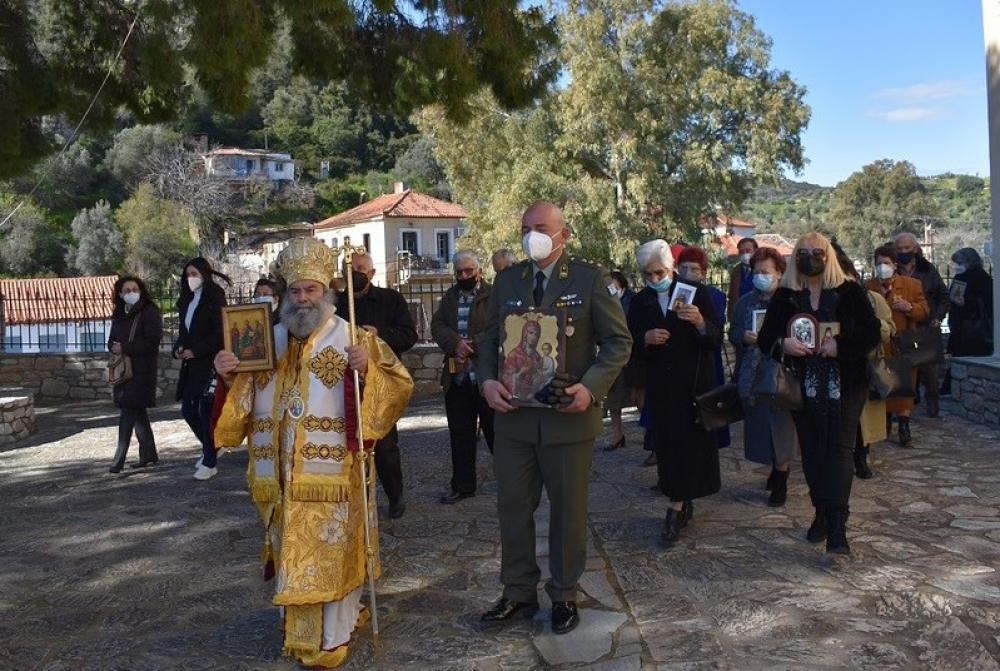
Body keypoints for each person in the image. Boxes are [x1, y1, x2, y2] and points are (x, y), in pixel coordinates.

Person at [213, 237, 413, 669]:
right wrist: (227, 375)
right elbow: (243, 400)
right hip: (282, 477)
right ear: (285, 295)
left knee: (333, 553)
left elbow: (399, 388)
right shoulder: (266, 340)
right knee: (292, 550)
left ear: (328, 293)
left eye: (312, 290)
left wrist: (369, 371)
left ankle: (333, 634)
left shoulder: (353, 337)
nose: (303, 300)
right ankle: (300, 630)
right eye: (296, 291)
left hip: (334, 476)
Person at [477, 201, 631, 635]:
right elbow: (489, 342)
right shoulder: (508, 279)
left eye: (541, 227)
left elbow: (618, 343)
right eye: (525, 228)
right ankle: (518, 591)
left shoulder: (588, 278)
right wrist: (487, 382)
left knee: (567, 512)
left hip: (567, 418)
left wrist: (591, 387)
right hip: (514, 420)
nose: (532, 236)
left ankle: (564, 594)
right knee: (513, 508)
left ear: (563, 233)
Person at [758, 233, 880, 555]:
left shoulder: (850, 291)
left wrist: (841, 346)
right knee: (812, 451)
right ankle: (821, 513)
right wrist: (782, 344)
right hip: (802, 386)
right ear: (795, 258)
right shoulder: (785, 296)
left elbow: (871, 333)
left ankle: (838, 526)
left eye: (817, 251)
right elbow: (765, 337)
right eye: (803, 252)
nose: (809, 257)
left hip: (846, 384)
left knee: (839, 451)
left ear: (828, 256)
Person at [629, 239, 723, 545]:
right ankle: (680, 502)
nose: (654, 280)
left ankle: (675, 509)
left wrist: (699, 323)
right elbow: (629, 343)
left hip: (693, 383)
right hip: (663, 386)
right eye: (648, 275)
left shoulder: (696, 292)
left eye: (659, 272)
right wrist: (645, 338)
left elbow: (715, 337)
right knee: (670, 449)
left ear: (670, 266)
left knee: (690, 448)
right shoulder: (642, 301)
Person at [336, 252, 418, 519]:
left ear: (371, 273)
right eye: (351, 269)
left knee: (384, 445)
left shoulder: (391, 300)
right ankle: (354, 498)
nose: (356, 272)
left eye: (361, 268)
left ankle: (395, 496)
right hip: (341, 383)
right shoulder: (333, 304)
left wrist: (378, 335)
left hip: (379, 382)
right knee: (345, 442)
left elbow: (408, 335)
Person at [728, 247, 797, 505]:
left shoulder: (790, 301)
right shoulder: (745, 302)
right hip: (752, 372)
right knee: (759, 426)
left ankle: (781, 475)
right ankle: (773, 466)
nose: (760, 276)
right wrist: (742, 337)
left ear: (779, 272)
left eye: (765, 272)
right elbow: (732, 330)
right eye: (756, 272)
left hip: (782, 373)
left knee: (782, 426)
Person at [430, 249, 495, 505]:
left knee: (496, 433)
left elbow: (500, 327)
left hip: (486, 377)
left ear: (479, 270)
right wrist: (455, 343)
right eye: (459, 272)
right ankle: (463, 486)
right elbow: (437, 325)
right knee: (460, 435)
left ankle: (515, 484)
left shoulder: (492, 295)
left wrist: (474, 345)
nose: (464, 275)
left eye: (468, 270)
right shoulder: (450, 297)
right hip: (457, 378)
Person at [830, 241, 895, 480]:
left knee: (863, 420)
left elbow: (890, 329)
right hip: (837, 364)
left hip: (867, 363)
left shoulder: (873, 298)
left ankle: (862, 454)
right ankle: (845, 456)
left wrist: (871, 328)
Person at [865, 245, 928, 447]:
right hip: (878, 345)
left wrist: (910, 308)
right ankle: (883, 425)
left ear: (894, 265)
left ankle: (904, 426)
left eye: (886, 263)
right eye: (878, 263)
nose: (882, 267)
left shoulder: (911, 284)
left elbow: (924, 309)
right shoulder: (867, 286)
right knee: (881, 384)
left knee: (904, 385)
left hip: (903, 343)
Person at [174, 257, 230, 481]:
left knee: (207, 412)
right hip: (191, 366)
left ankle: (209, 461)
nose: (191, 278)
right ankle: (213, 447)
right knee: (188, 411)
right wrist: (179, 348)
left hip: (209, 363)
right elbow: (183, 333)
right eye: (187, 274)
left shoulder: (215, 297)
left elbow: (220, 333)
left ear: (205, 274)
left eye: (194, 274)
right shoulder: (186, 300)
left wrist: (196, 350)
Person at [676, 246, 731, 449]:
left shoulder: (714, 296)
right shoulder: (674, 292)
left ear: (703, 272)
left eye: (694, 269)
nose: (688, 273)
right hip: (680, 361)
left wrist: (701, 323)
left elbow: (716, 329)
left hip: (706, 359)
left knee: (707, 413)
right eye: (684, 268)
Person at [107, 276, 164, 474]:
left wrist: (125, 347)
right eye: (127, 290)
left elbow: (152, 342)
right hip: (124, 370)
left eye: (135, 288)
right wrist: (114, 347)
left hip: (141, 370)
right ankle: (149, 454)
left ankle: (118, 459)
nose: (131, 292)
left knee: (128, 411)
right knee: (137, 411)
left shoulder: (149, 312)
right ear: (120, 294)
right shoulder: (119, 314)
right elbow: (111, 340)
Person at [894, 232, 948, 417]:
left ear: (915, 249)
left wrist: (938, 317)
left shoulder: (927, 270)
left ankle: (933, 405)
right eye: (899, 249)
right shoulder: (891, 271)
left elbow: (944, 296)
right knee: (901, 370)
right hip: (901, 328)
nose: (903, 252)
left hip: (925, 326)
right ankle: (902, 409)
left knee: (930, 371)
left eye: (907, 248)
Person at [603, 270, 636, 451]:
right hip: (612, 356)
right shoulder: (604, 302)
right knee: (614, 398)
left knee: (639, 397)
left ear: (622, 285)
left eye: (614, 286)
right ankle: (617, 435)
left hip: (634, 357)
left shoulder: (633, 300)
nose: (612, 290)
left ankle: (651, 438)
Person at [946, 247, 994, 359]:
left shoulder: (981, 277)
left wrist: (967, 303)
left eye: (960, 262)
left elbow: (987, 301)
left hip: (974, 329)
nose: (957, 266)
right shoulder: (960, 275)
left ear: (969, 261)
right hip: (959, 325)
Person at [501, 319, 543, 399]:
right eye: (531, 333)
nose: (533, 337)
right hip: (518, 399)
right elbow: (506, 378)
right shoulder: (514, 355)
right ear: (525, 334)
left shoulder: (537, 357)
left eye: (536, 335)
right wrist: (520, 373)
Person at [727, 236, 759, 320]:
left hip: (757, 312)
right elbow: (732, 295)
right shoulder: (736, 271)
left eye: (748, 251)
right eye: (741, 251)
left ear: (755, 251)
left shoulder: (761, 269)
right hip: (740, 314)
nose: (745, 254)